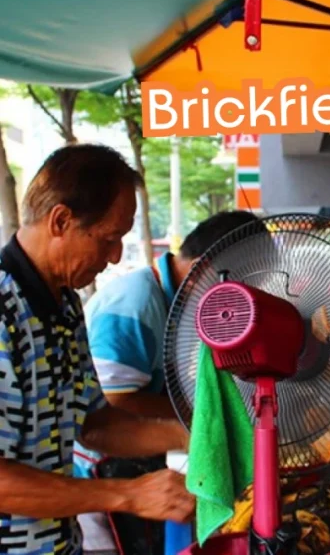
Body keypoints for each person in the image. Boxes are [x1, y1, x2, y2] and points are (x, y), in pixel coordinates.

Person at [0, 144, 195, 555]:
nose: (116, 256)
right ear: (61, 220)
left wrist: (195, 437)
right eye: (108, 239)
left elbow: (96, 424)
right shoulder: (4, 312)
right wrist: (127, 495)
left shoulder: (65, 303)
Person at [73, 209, 262, 555]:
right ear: (212, 267)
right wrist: (198, 422)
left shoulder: (177, 303)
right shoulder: (137, 302)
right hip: (102, 473)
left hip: (141, 461)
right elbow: (115, 399)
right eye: (241, 282)